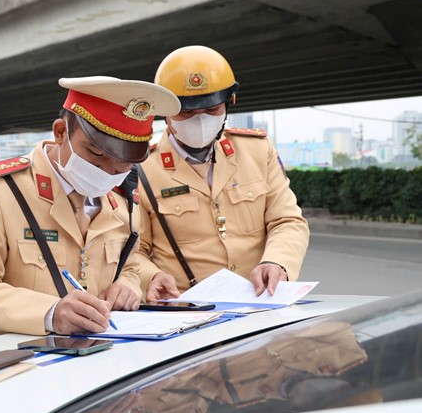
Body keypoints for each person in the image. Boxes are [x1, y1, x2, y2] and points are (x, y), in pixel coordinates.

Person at [0, 77, 180, 339]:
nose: (109, 172)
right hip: (21, 367)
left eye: (124, 162)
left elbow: (130, 265)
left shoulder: (122, 200)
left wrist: (128, 287)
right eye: (96, 154)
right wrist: (50, 313)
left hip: (105, 365)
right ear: (60, 132)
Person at [132, 45, 310, 302]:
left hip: (260, 303)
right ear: (165, 113)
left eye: (211, 109)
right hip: (187, 311)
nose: (200, 120)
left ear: (228, 104)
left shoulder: (257, 151)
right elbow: (134, 251)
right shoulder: (142, 168)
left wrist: (277, 262)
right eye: (187, 111)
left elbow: (287, 221)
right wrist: (152, 276)